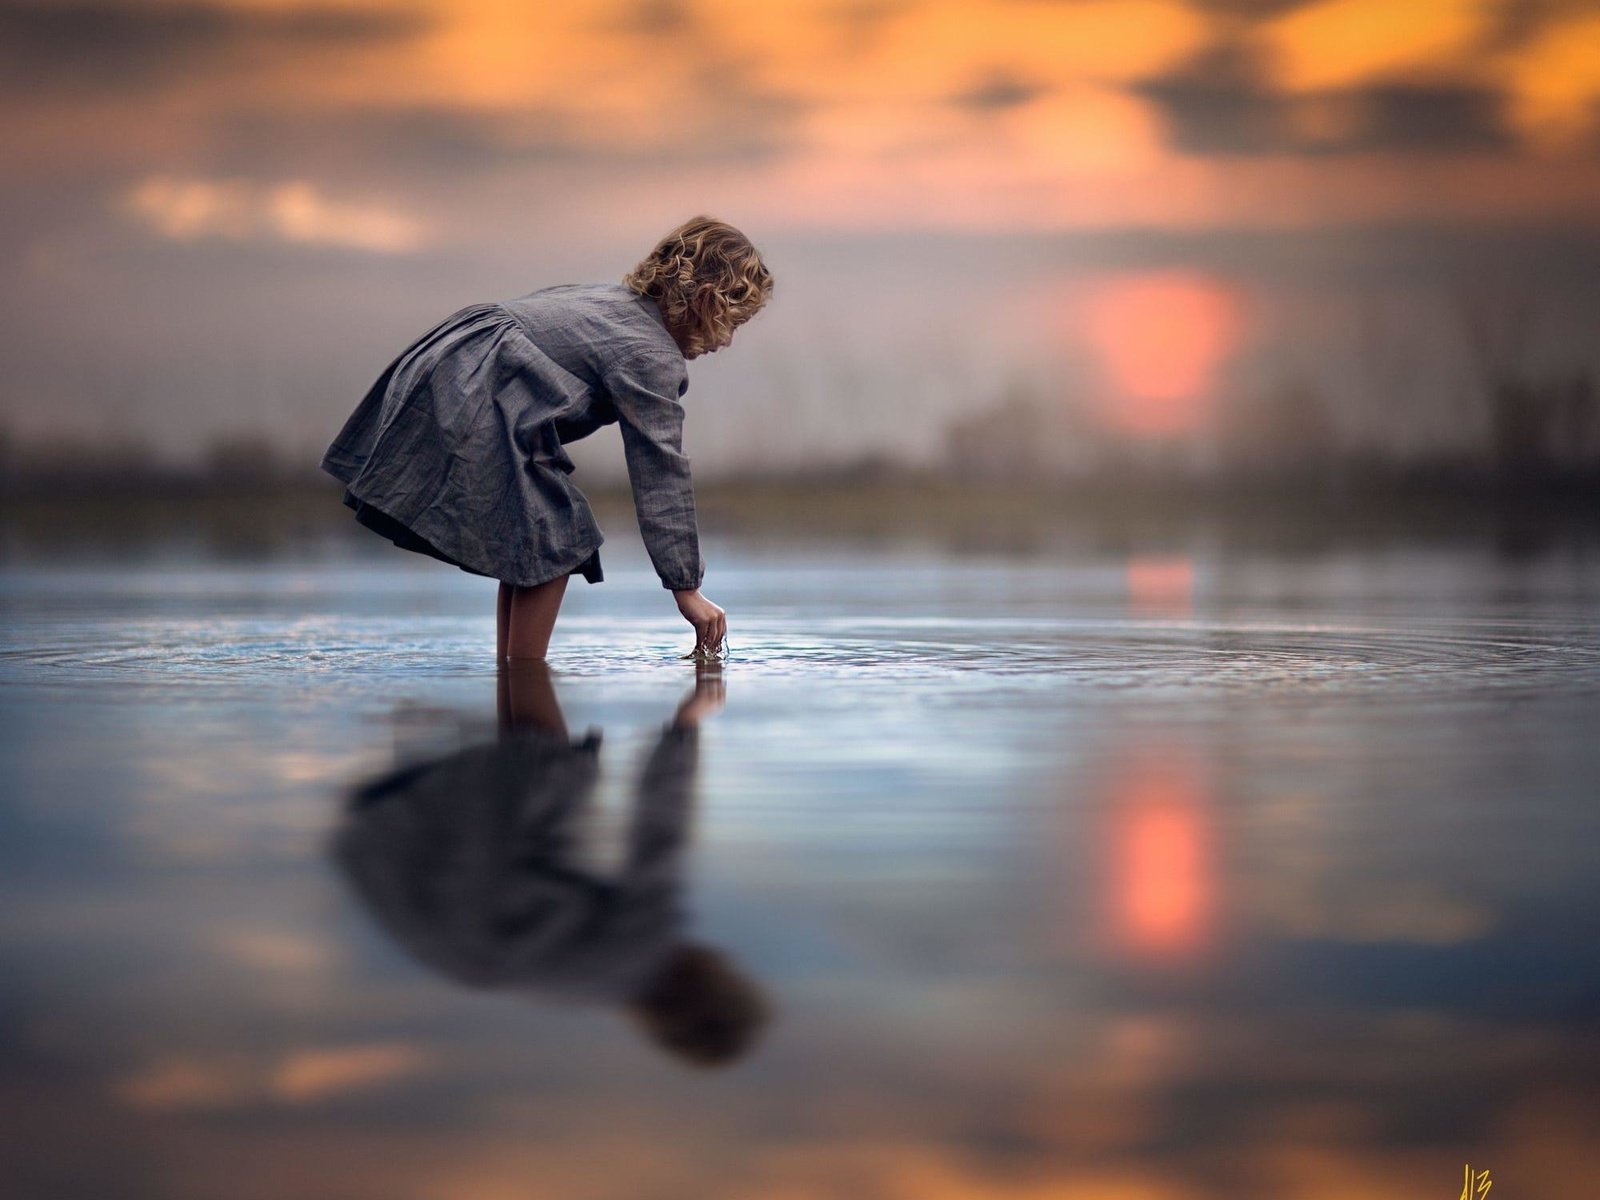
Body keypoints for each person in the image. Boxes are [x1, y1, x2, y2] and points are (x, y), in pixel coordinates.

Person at [319, 215, 774, 661]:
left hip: (450, 368)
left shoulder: (609, 302)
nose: (727, 340)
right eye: (733, 321)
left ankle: (514, 679)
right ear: (708, 300)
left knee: (533, 537)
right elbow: (661, 471)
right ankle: (526, 686)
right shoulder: (650, 354)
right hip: (469, 392)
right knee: (558, 539)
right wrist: (686, 587)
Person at [331, 662, 772, 1069]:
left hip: (428, 828)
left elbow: (660, 830)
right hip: (381, 840)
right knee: (562, 786)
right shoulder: (592, 984)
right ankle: (507, 687)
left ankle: (508, 684)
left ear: (714, 987)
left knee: (565, 765)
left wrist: (684, 725)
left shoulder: (643, 951)